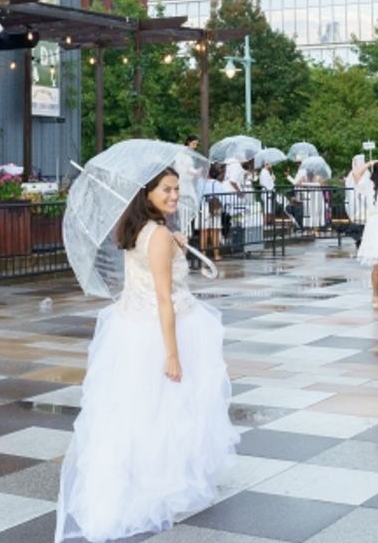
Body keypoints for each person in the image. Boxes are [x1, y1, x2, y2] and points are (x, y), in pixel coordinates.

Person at [55, 167, 237, 541]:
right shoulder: (157, 236)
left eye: (176, 189)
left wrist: (178, 245)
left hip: (133, 329)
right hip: (161, 331)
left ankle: (156, 477)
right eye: (167, 190)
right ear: (147, 194)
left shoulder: (143, 231)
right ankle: (159, 484)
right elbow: (164, 299)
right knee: (167, 409)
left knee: (146, 409)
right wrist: (172, 354)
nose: (174, 196)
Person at [354, 160, 378, 309]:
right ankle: (375, 293)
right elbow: (356, 174)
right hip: (376, 227)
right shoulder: (369, 186)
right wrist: (370, 163)